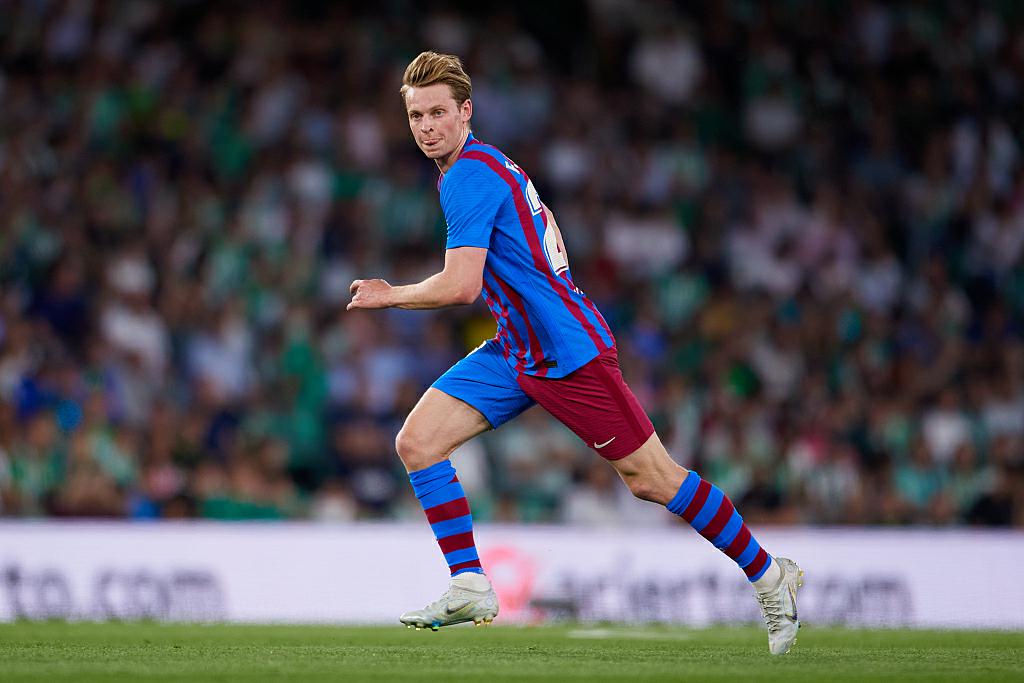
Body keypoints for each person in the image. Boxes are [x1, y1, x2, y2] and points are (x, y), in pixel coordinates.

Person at [347, 51, 803, 655]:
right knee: (418, 442)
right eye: (416, 116)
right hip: (519, 348)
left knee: (652, 479)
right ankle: (470, 583)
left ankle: (769, 575)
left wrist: (390, 295)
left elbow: (461, 286)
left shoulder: (467, 176)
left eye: (437, 112)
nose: (426, 126)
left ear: (466, 112)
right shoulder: (477, 165)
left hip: (567, 353)